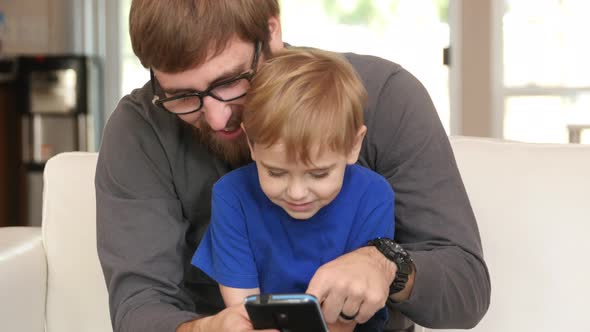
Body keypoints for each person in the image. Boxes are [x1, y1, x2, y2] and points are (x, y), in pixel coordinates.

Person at [95, 1, 491, 331]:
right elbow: (139, 305)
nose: (217, 119)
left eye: (231, 81)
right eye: (182, 96)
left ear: (271, 32)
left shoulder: (385, 97)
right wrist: (205, 328)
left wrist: (387, 265)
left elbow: (466, 291)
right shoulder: (139, 131)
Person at [192, 47, 395, 332]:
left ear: (353, 145)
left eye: (318, 173)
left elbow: (344, 319)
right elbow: (244, 312)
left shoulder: (373, 196)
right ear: (251, 144)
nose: (297, 193)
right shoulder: (232, 195)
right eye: (276, 172)